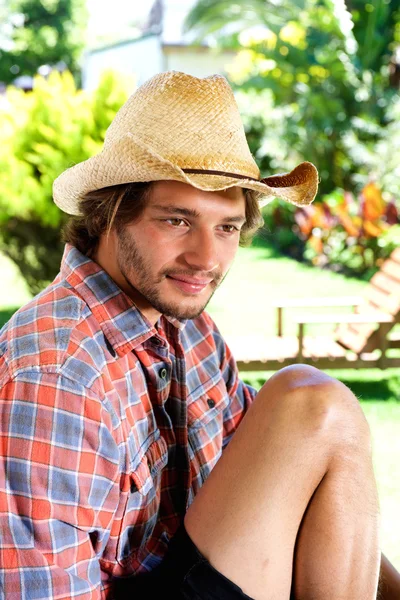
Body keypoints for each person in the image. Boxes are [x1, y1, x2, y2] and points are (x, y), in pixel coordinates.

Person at [0, 71, 399, 600]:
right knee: (313, 399)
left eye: (227, 228)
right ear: (113, 212)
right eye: (177, 221)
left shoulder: (189, 330)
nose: (207, 259)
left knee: (317, 410)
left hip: (192, 570)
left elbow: (308, 470)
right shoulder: (54, 376)